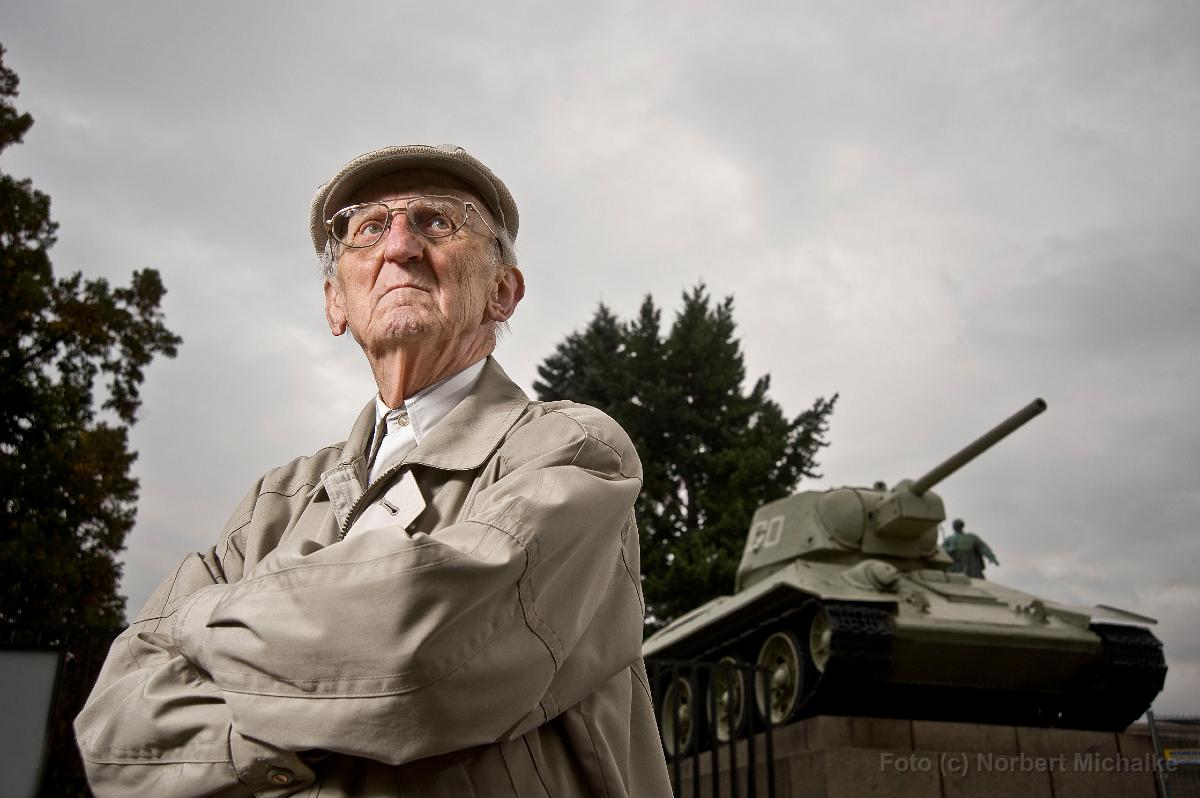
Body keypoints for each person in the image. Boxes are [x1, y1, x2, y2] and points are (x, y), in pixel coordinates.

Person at [75, 145, 673, 797]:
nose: (400, 246)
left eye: (437, 221)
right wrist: (307, 719)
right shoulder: (272, 502)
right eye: (367, 227)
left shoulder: (573, 450)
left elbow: (420, 653)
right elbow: (114, 735)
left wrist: (195, 627)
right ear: (336, 302)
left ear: (502, 292)